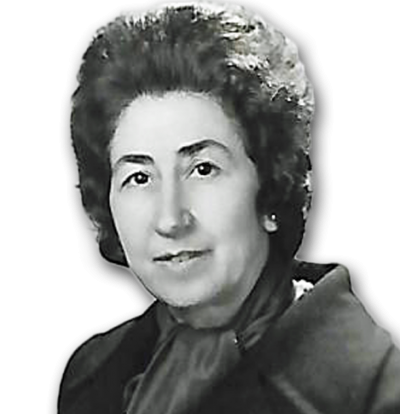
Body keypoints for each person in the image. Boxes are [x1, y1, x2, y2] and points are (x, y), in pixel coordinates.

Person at [54, 2, 400, 413]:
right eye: (140, 177)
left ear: (271, 188)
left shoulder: (373, 387)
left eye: (203, 169)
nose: (170, 219)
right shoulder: (91, 374)